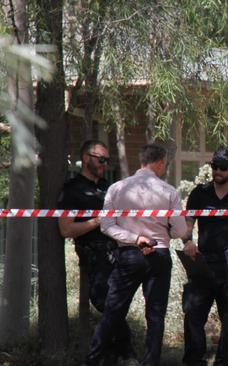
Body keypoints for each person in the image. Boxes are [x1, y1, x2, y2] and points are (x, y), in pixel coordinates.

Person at [83, 144, 187, 366]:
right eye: (165, 164)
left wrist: (133, 238)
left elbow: (106, 226)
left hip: (129, 254)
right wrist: (162, 231)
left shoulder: (117, 189)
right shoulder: (169, 192)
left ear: (142, 161)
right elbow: (180, 231)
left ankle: (91, 360)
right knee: (155, 315)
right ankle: (150, 362)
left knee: (112, 310)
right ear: (159, 162)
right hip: (158, 254)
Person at [57, 140, 136, 365]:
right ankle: (125, 351)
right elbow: (66, 229)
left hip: (119, 252)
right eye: (101, 159)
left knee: (116, 303)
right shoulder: (72, 189)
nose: (104, 164)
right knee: (105, 301)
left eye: (107, 160)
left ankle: (112, 355)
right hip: (94, 255)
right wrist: (98, 222)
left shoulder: (108, 187)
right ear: (87, 158)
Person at [181, 148, 228, 366]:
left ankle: (225, 362)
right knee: (192, 313)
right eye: (214, 166)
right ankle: (194, 361)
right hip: (204, 262)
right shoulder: (199, 193)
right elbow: (187, 224)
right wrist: (187, 241)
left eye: (222, 167)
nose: (217, 171)